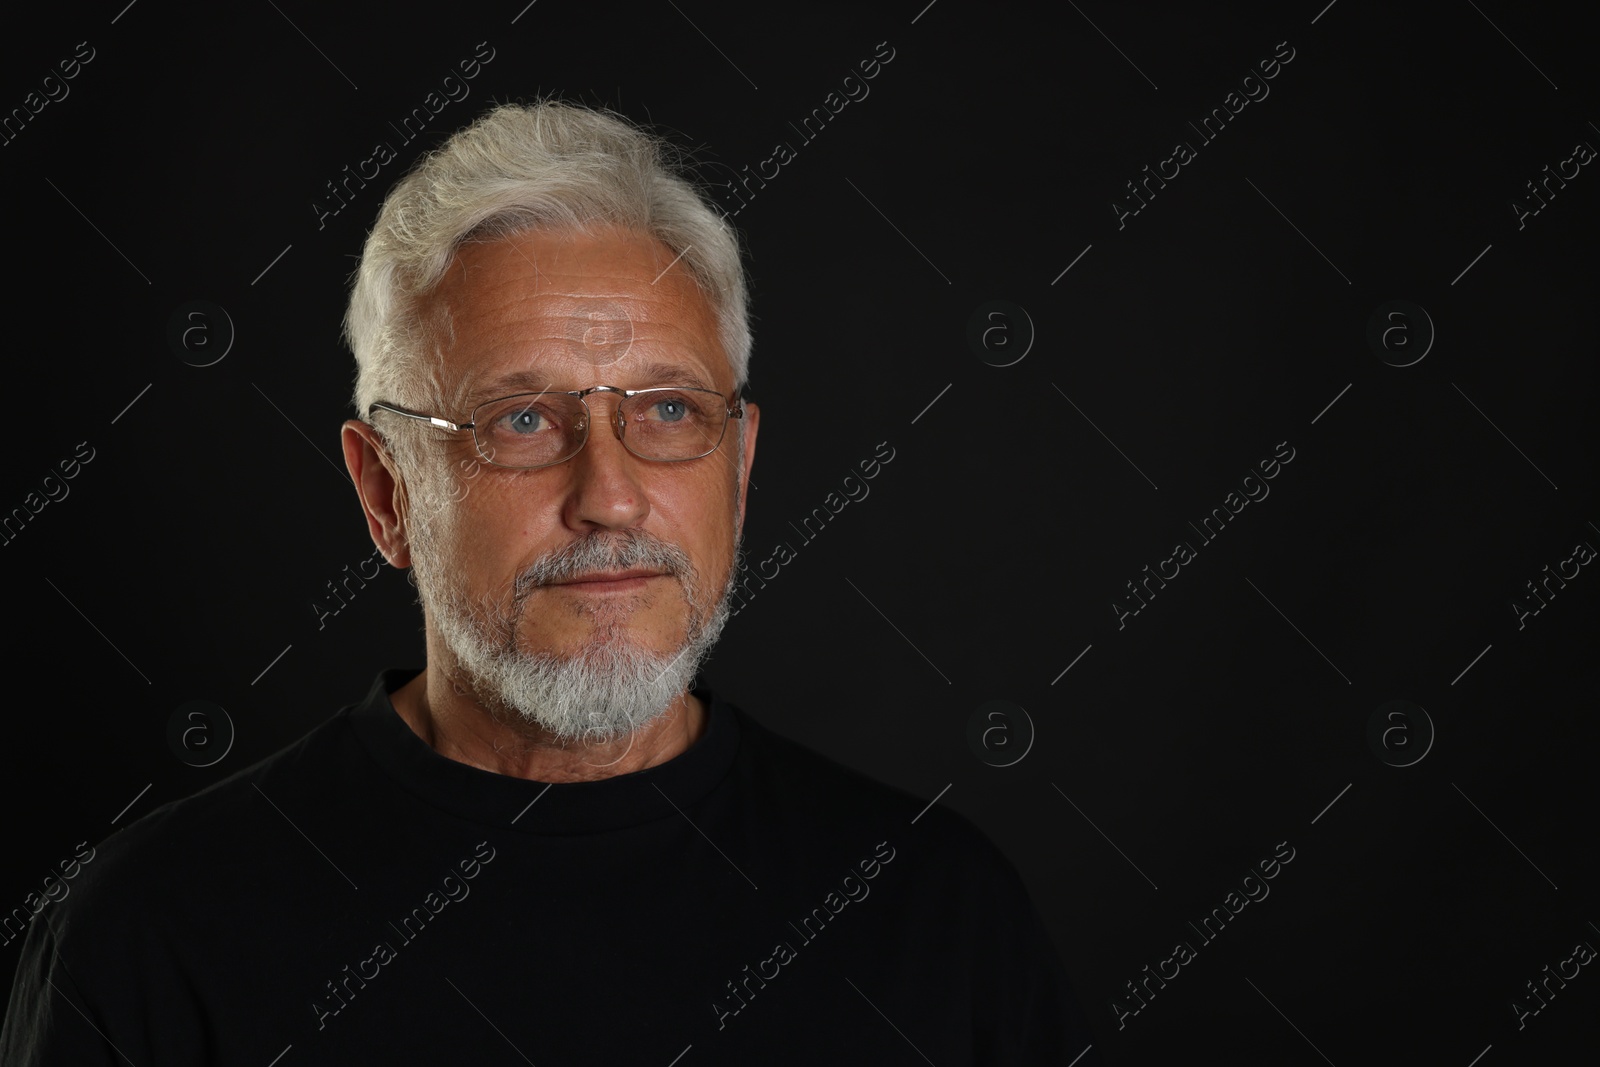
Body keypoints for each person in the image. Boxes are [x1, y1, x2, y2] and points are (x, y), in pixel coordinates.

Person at [1, 100, 1099, 1064]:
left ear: (742, 462)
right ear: (386, 490)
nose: (610, 496)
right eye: (522, 420)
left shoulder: (935, 915)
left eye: (668, 409)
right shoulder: (154, 931)